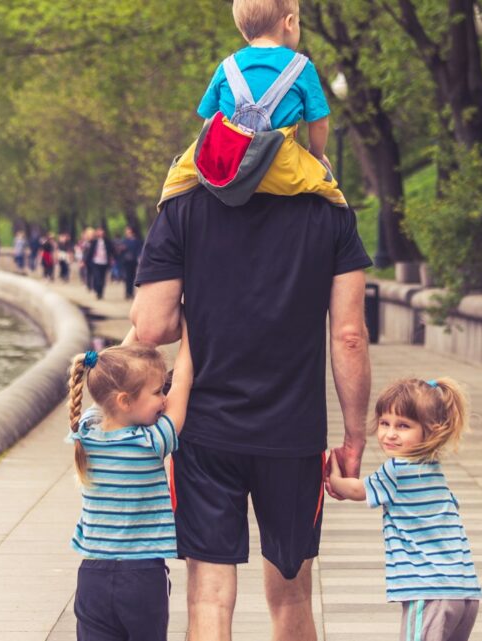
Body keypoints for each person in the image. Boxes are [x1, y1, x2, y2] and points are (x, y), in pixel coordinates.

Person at [131, 191, 372, 640]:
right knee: (292, 596)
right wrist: (354, 437)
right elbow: (349, 335)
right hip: (294, 435)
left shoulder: (184, 207)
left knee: (208, 598)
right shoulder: (329, 212)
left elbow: (151, 327)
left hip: (203, 433)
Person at [327, 378, 482, 641]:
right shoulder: (432, 470)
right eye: (385, 423)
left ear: (431, 431)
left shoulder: (398, 470)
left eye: (403, 426)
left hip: (428, 591)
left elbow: (356, 490)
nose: (390, 433)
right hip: (464, 592)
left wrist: (333, 477)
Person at [67, 326, 194, 641]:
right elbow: (183, 382)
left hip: (92, 578)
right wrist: (192, 332)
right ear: (124, 401)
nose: (163, 400)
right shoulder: (151, 442)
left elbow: (107, 385)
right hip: (141, 577)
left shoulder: (87, 431)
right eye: (156, 392)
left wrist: (140, 327)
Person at [157, 0, 345, 211]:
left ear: (244, 30)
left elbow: (209, 123)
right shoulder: (302, 68)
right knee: (334, 197)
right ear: (290, 22)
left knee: (176, 182)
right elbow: (319, 123)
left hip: (231, 165)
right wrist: (317, 156)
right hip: (282, 167)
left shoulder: (226, 67)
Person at [86, 227, 115, 300]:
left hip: (104, 262)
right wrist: (85, 261)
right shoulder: (94, 241)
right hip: (96, 262)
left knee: (103, 279)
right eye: (98, 231)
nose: (100, 232)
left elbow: (112, 250)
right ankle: (97, 291)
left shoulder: (107, 241)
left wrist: (114, 258)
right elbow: (90, 252)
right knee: (97, 277)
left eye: (101, 231)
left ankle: (101, 293)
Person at [120, 227, 144, 300]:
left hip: (133, 261)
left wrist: (139, 258)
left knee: (133, 277)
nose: (127, 233)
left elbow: (139, 250)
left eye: (128, 231)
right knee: (127, 277)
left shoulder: (136, 241)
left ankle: (131, 293)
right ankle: (127, 293)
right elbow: (120, 251)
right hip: (126, 261)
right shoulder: (124, 241)